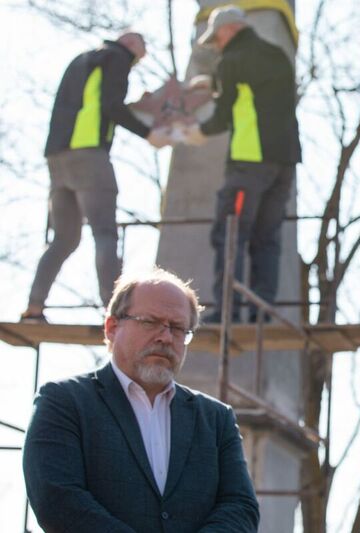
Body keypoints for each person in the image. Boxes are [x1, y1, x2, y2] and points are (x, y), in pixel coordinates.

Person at [23, 268, 259, 531]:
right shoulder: (64, 402)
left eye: (179, 328)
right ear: (112, 327)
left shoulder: (216, 419)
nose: (165, 337)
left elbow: (240, 506)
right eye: (150, 322)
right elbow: (58, 500)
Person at [20, 33, 171, 322]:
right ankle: (114, 309)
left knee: (64, 239)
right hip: (89, 157)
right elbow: (110, 106)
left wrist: (136, 107)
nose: (141, 58)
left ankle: (34, 306)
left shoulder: (84, 60)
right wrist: (149, 133)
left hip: (58, 157)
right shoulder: (116, 58)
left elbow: (93, 104)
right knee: (104, 233)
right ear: (130, 44)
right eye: (141, 51)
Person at [183, 6, 301, 322]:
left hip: (249, 163)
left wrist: (197, 131)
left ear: (228, 30)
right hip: (285, 161)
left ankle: (227, 310)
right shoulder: (276, 55)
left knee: (231, 234)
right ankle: (262, 311)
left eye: (217, 38)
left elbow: (226, 113)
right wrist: (216, 82)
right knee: (267, 237)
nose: (217, 45)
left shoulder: (232, 60)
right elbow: (258, 96)